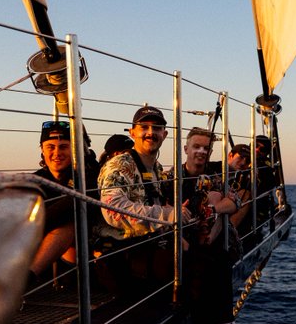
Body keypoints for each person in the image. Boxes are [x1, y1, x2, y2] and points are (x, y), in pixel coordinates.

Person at [169, 127, 262, 324]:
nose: (201, 151)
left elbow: (233, 201)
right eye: (195, 146)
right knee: (206, 266)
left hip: (205, 239)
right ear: (185, 149)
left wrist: (212, 208)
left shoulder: (212, 177)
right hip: (180, 240)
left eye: (206, 148)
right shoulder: (170, 177)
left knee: (220, 256)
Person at [97, 105, 189, 281]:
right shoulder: (119, 166)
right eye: (144, 127)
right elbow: (112, 210)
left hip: (152, 244)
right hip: (123, 251)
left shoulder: (157, 168)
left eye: (156, 128)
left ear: (165, 134)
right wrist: (167, 215)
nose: (150, 132)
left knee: (210, 258)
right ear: (132, 133)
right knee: (200, 269)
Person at [27, 119, 97, 288]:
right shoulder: (36, 180)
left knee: (69, 223)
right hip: (41, 247)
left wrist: (33, 226)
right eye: (50, 147)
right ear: (42, 150)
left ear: (75, 150)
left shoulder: (89, 176)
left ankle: (26, 280)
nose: (57, 153)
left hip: (83, 252)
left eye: (64, 147)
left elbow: (72, 205)